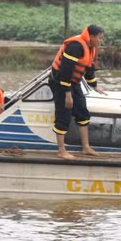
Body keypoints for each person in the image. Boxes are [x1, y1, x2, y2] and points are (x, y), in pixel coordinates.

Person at [50, 25, 107, 160]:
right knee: (64, 113)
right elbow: (65, 71)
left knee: (82, 111)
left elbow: (88, 69)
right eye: (100, 38)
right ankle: (61, 150)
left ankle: (86, 147)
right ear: (92, 37)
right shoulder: (76, 46)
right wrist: (68, 94)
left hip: (73, 82)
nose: (101, 41)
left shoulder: (91, 48)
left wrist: (94, 86)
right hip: (60, 82)